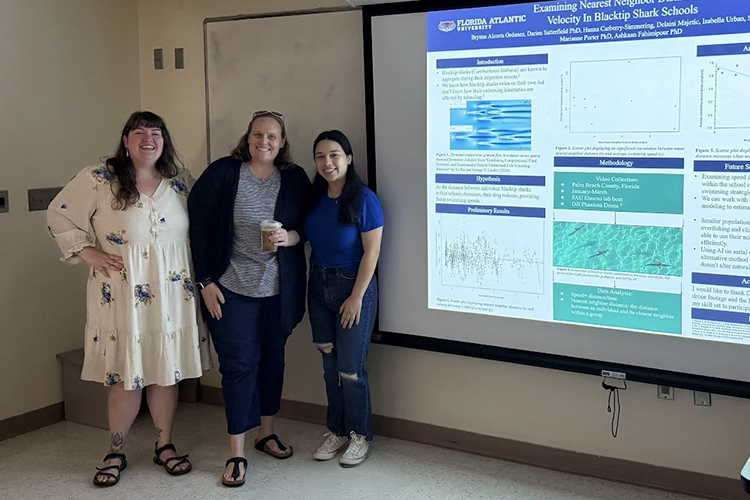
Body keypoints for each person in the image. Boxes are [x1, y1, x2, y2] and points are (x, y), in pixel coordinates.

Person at [47, 111, 211, 487]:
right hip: (123, 293)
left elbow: (208, 222)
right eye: (139, 132)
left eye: (156, 132)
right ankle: (116, 450)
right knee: (126, 376)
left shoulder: (180, 181)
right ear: (125, 140)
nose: (148, 139)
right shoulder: (99, 178)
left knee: (166, 372)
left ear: (164, 141)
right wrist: (87, 252)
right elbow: (59, 214)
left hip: (172, 294)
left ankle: (164, 445)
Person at [188, 111, 311, 487]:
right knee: (239, 367)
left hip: (278, 293)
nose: (264, 142)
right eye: (258, 134)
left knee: (272, 362)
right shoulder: (225, 172)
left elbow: (309, 224)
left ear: (282, 142)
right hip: (231, 290)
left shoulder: (294, 177)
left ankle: (265, 434)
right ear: (248, 137)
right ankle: (236, 452)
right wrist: (205, 281)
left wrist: (291, 237)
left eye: (272, 136)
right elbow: (197, 225)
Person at [305, 130, 383, 467]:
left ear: (349, 158)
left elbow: (372, 253)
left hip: (353, 288)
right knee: (329, 367)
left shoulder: (364, 199)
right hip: (317, 286)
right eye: (320, 156)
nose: (327, 162)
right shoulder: (314, 197)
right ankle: (336, 430)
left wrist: (356, 297)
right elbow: (303, 235)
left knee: (350, 369)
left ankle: (359, 435)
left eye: (334, 155)